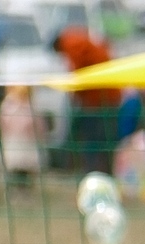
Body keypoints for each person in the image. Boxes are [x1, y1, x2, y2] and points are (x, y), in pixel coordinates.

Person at [53, 24, 119, 175]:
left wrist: (75, 92)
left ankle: (91, 170)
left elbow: (78, 73)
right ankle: (101, 170)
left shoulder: (72, 44)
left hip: (98, 101)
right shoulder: (78, 38)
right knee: (104, 139)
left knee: (94, 138)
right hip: (107, 97)